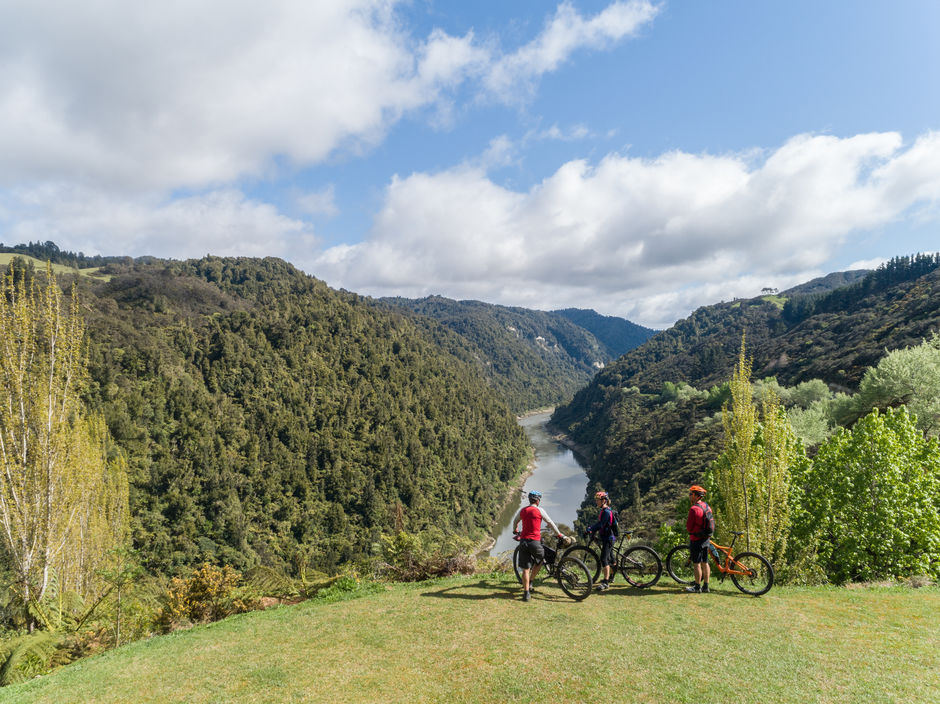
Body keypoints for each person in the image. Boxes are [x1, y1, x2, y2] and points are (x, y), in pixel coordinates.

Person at [512, 490, 564, 602]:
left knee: (525, 569)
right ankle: (531, 581)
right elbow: (550, 523)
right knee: (540, 560)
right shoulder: (539, 510)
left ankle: (526, 594)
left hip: (524, 542)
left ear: (529, 500)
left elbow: (515, 521)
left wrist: (515, 530)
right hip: (535, 542)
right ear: (538, 500)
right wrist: (559, 534)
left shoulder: (523, 510)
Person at [585, 490, 616, 591]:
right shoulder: (604, 510)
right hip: (608, 537)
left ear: (604, 500)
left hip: (608, 539)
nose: (596, 502)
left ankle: (605, 582)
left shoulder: (606, 511)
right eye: (596, 500)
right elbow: (600, 523)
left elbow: (600, 524)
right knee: (611, 559)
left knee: (604, 559)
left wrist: (590, 529)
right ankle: (611, 577)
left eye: (598, 500)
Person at [685, 485, 712, 593]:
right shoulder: (706, 506)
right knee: (705, 562)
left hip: (696, 539)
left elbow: (689, 527)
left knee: (696, 563)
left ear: (696, 496)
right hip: (706, 538)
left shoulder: (694, 509)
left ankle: (697, 587)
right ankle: (706, 586)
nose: (689, 496)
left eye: (691, 494)